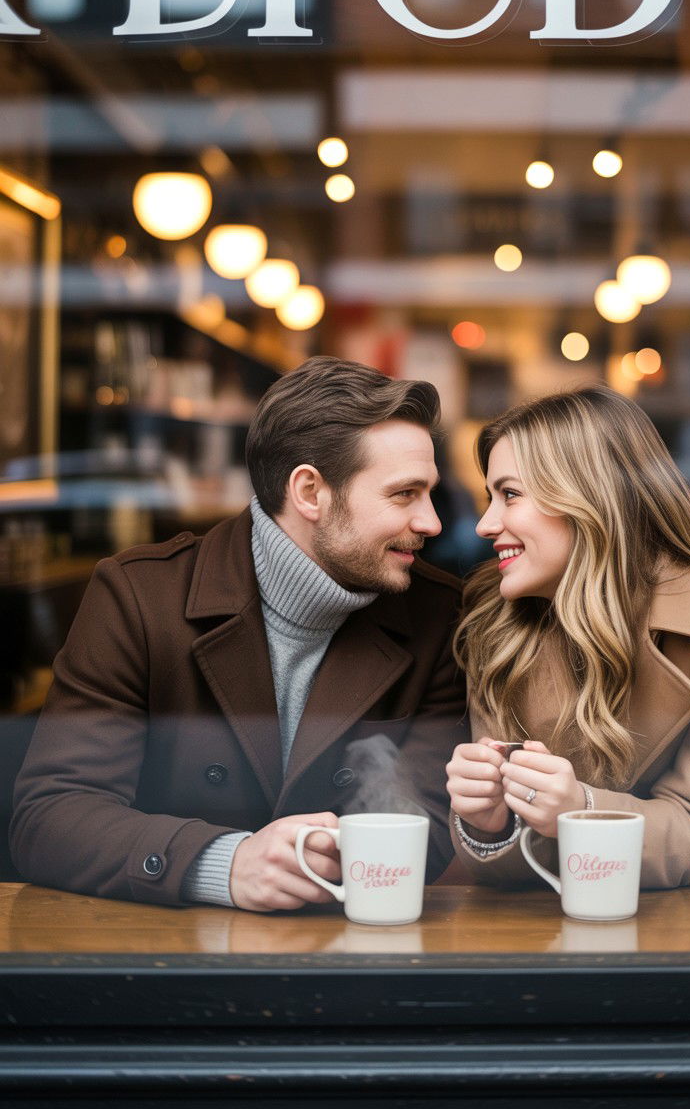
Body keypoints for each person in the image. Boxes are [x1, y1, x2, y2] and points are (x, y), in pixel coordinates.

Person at [11, 357, 467, 910]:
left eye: (429, 493)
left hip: (349, 942)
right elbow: (50, 819)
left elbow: (429, 828)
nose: (431, 523)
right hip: (161, 946)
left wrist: (316, 862)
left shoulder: (438, 615)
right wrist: (225, 864)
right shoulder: (140, 598)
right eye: (404, 494)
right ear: (310, 492)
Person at [446, 386, 690, 888]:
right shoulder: (496, 622)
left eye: (510, 494)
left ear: (587, 495)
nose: (486, 524)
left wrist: (581, 810)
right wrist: (490, 825)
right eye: (490, 497)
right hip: (551, 915)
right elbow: (509, 871)